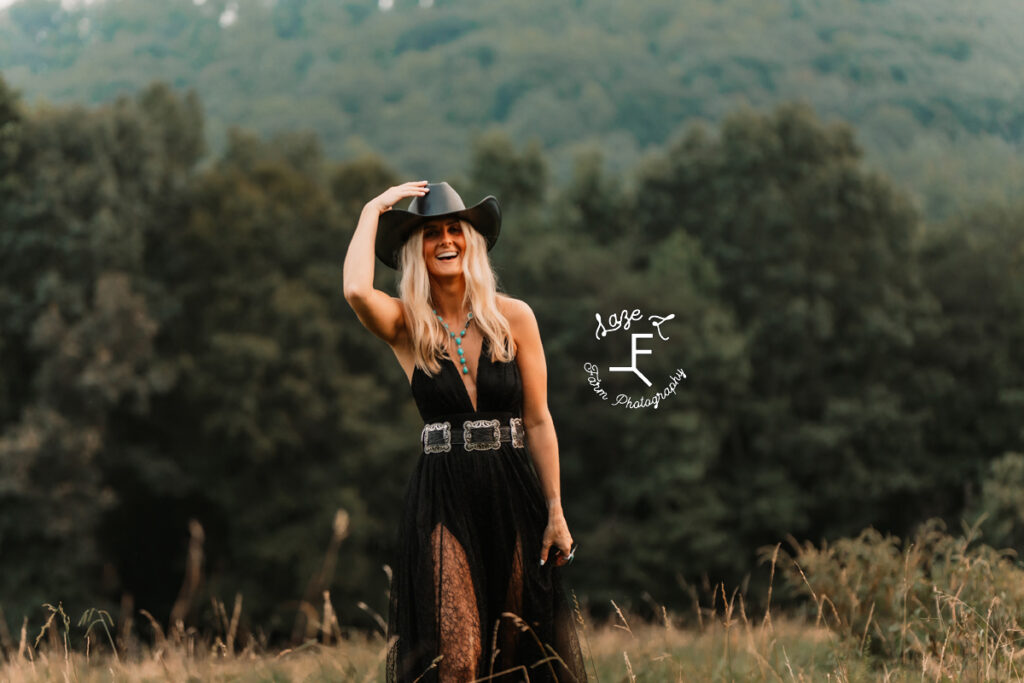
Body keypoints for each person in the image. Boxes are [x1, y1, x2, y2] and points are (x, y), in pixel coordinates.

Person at [343, 180, 588, 682]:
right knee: (455, 658)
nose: (446, 240)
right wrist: (374, 209)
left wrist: (557, 511)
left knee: (520, 653)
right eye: (431, 234)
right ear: (417, 249)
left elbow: (538, 419)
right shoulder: (407, 324)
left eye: (455, 229)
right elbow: (354, 290)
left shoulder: (514, 317)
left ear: (471, 242)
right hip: (443, 495)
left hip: (512, 490)